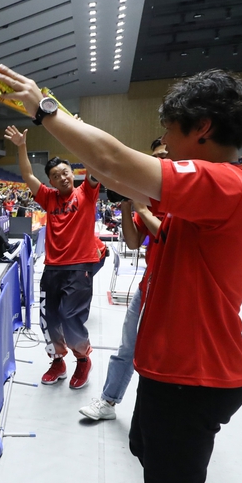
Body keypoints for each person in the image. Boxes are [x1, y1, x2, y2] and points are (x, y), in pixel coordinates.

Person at [0, 65, 242, 483]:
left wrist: (45, 108)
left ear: (201, 127)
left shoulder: (225, 185)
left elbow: (113, 158)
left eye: (168, 129)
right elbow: (120, 176)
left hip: (195, 376)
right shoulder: (207, 198)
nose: (162, 139)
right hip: (176, 371)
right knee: (146, 448)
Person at [5, 127, 105, 388]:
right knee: (49, 318)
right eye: (56, 176)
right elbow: (27, 174)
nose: (62, 178)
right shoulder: (49, 198)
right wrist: (21, 145)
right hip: (52, 269)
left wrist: (78, 132)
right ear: (50, 181)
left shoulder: (86, 193)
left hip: (79, 267)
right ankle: (57, 361)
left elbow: (95, 164)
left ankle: (82, 360)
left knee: (71, 318)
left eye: (65, 173)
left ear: (73, 173)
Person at [79, 139, 168, 421]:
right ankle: (108, 401)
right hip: (148, 285)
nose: (161, 162)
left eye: (165, 156)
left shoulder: (183, 198)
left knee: (163, 355)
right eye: (156, 158)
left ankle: (160, 413)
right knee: (127, 347)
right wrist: (130, 207)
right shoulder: (149, 197)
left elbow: (172, 238)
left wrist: (142, 210)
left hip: (174, 290)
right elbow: (132, 242)